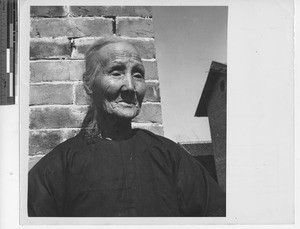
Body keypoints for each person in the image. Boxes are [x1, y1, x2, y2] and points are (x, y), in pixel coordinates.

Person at [28, 37, 225, 217]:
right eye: (116, 72)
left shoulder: (170, 156)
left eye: (138, 75)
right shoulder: (59, 166)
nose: (131, 86)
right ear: (88, 85)